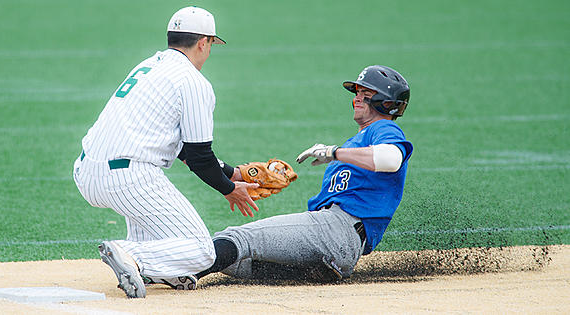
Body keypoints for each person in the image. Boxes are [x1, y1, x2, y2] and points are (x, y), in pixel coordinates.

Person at [72, 6, 258, 298]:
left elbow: (184, 148)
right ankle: (131, 255)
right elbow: (198, 157)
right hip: (129, 176)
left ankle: (156, 270)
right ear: (202, 42)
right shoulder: (193, 82)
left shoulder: (148, 66)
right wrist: (230, 188)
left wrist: (231, 171)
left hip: (87, 171)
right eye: (211, 44)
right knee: (202, 250)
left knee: (161, 232)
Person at [195, 65, 413, 282]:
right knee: (237, 262)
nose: (357, 99)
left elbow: (391, 159)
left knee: (236, 238)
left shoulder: (383, 128)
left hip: (337, 230)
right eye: (357, 93)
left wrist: (333, 152)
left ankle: (182, 270)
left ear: (386, 103)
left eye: (366, 95)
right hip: (339, 244)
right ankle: (313, 272)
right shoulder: (358, 143)